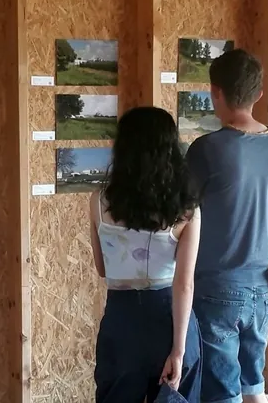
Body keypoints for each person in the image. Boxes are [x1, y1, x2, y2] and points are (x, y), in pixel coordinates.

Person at [185, 49, 268, 403]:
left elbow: (181, 212)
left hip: (217, 287)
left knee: (220, 392)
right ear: (259, 94)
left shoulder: (206, 150)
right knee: (253, 385)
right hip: (262, 285)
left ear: (215, 92)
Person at [90, 106, 203, 403]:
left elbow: (102, 268)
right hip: (169, 317)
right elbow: (184, 285)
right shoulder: (186, 210)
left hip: (121, 319)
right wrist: (178, 351)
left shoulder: (99, 201)